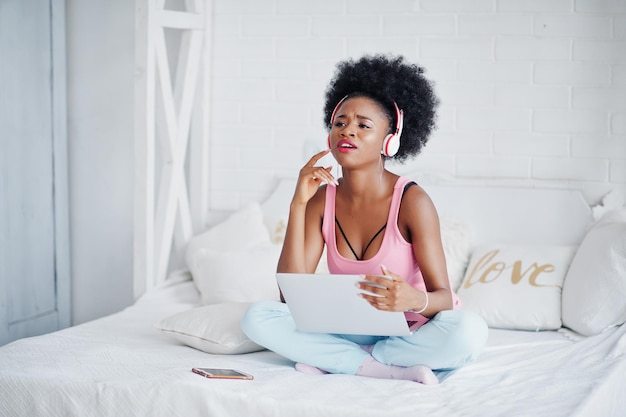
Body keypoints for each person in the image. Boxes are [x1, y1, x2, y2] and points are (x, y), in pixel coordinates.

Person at [241, 54, 488, 385]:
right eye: (340, 123)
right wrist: (297, 205)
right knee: (257, 318)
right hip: (343, 331)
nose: (348, 131)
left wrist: (415, 300)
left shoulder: (413, 201)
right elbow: (291, 295)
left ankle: (340, 361)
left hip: (406, 332)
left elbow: (444, 295)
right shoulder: (320, 199)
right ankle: (380, 368)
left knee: (469, 332)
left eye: (363, 125)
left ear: (390, 140)